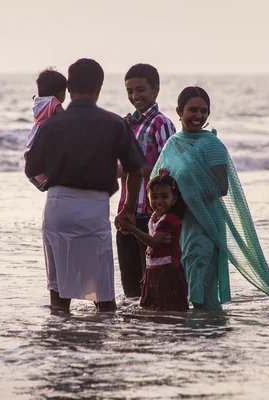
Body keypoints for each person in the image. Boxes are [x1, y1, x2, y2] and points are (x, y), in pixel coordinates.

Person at [151, 86, 269, 310]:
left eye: (204, 111)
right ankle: (197, 336)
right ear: (179, 111)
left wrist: (184, 197)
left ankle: (211, 333)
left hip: (204, 224)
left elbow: (220, 187)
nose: (198, 116)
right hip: (178, 227)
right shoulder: (173, 145)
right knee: (184, 285)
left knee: (201, 282)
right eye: (192, 110)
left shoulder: (212, 145)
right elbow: (157, 184)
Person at [25, 58, 146, 312]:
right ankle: (98, 348)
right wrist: (129, 209)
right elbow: (136, 169)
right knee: (103, 295)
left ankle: (61, 344)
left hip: (58, 208)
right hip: (94, 209)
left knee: (59, 298)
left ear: (68, 89)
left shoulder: (52, 124)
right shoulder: (114, 123)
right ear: (99, 88)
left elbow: (32, 168)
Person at [116, 63, 177, 298]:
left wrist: (135, 166)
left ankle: (155, 330)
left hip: (152, 217)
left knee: (153, 286)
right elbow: (122, 169)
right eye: (130, 91)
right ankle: (136, 331)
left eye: (140, 90)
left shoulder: (162, 124)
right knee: (130, 289)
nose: (135, 96)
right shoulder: (130, 125)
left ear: (156, 90)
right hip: (128, 214)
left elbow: (170, 172)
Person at [118, 169, 189, 311]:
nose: (159, 201)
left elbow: (154, 242)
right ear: (147, 198)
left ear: (174, 199)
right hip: (154, 271)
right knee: (153, 309)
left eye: (164, 197)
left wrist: (131, 228)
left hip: (168, 273)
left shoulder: (170, 219)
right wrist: (161, 175)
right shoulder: (156, 217)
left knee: (169, 310)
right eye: (154, 197)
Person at [24, 67, 67, 191]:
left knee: (38, 156)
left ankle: (38, 178)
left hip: (37, 133)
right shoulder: (53, 101)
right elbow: (63, 116)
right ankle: (45, 178)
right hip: (48, 134)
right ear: (61, 94)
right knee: (50, 157)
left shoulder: (37, 100)